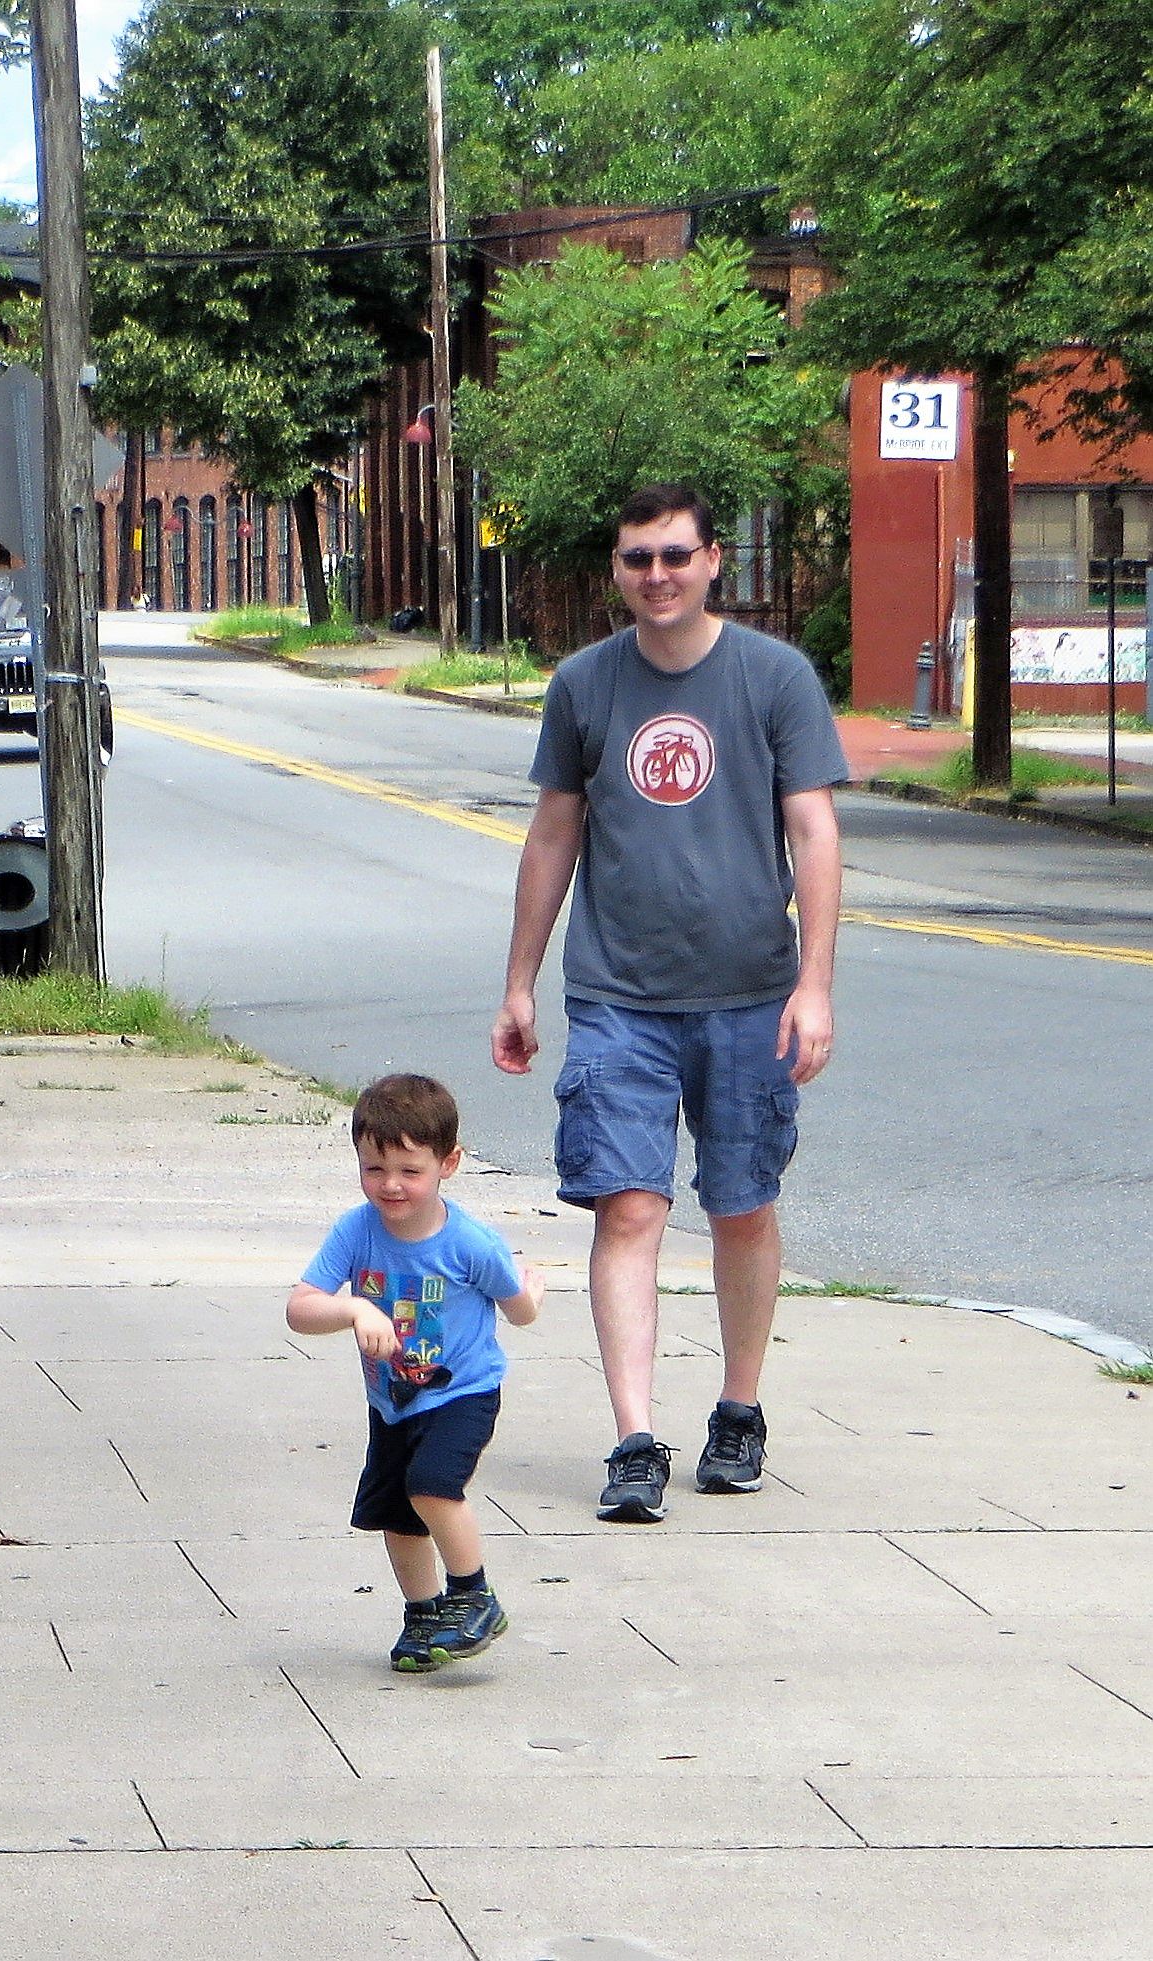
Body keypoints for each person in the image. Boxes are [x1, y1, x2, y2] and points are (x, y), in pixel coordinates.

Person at [491, 483, 847, 1524]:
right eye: (637, 557)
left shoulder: (773, 677)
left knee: (740, 1202)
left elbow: (813, 832)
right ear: (616, 567)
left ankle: (737, 1410)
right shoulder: (584, 685)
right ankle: (634, 1438)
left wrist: (814, 984)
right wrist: (518, 981)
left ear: (712, 561)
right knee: (629, 1203)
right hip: (619, 997)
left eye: (675, 555)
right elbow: (552, 833)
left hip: (749, 992)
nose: (657, 575)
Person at [287, 1073, 544, 1671]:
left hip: (462, 1392)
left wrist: (532, 1293)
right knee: (397, 1512)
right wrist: (353, 1308)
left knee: (430, 1485)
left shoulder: (470, 1244)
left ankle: (473, 1595)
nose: (391, 1185)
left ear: (448, 1163)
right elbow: (300, 1309)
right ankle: (424, 1613)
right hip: (392, 1399)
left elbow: (518, 1309)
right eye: (374, 1169)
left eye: (410, 1170)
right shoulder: (356, 1230)